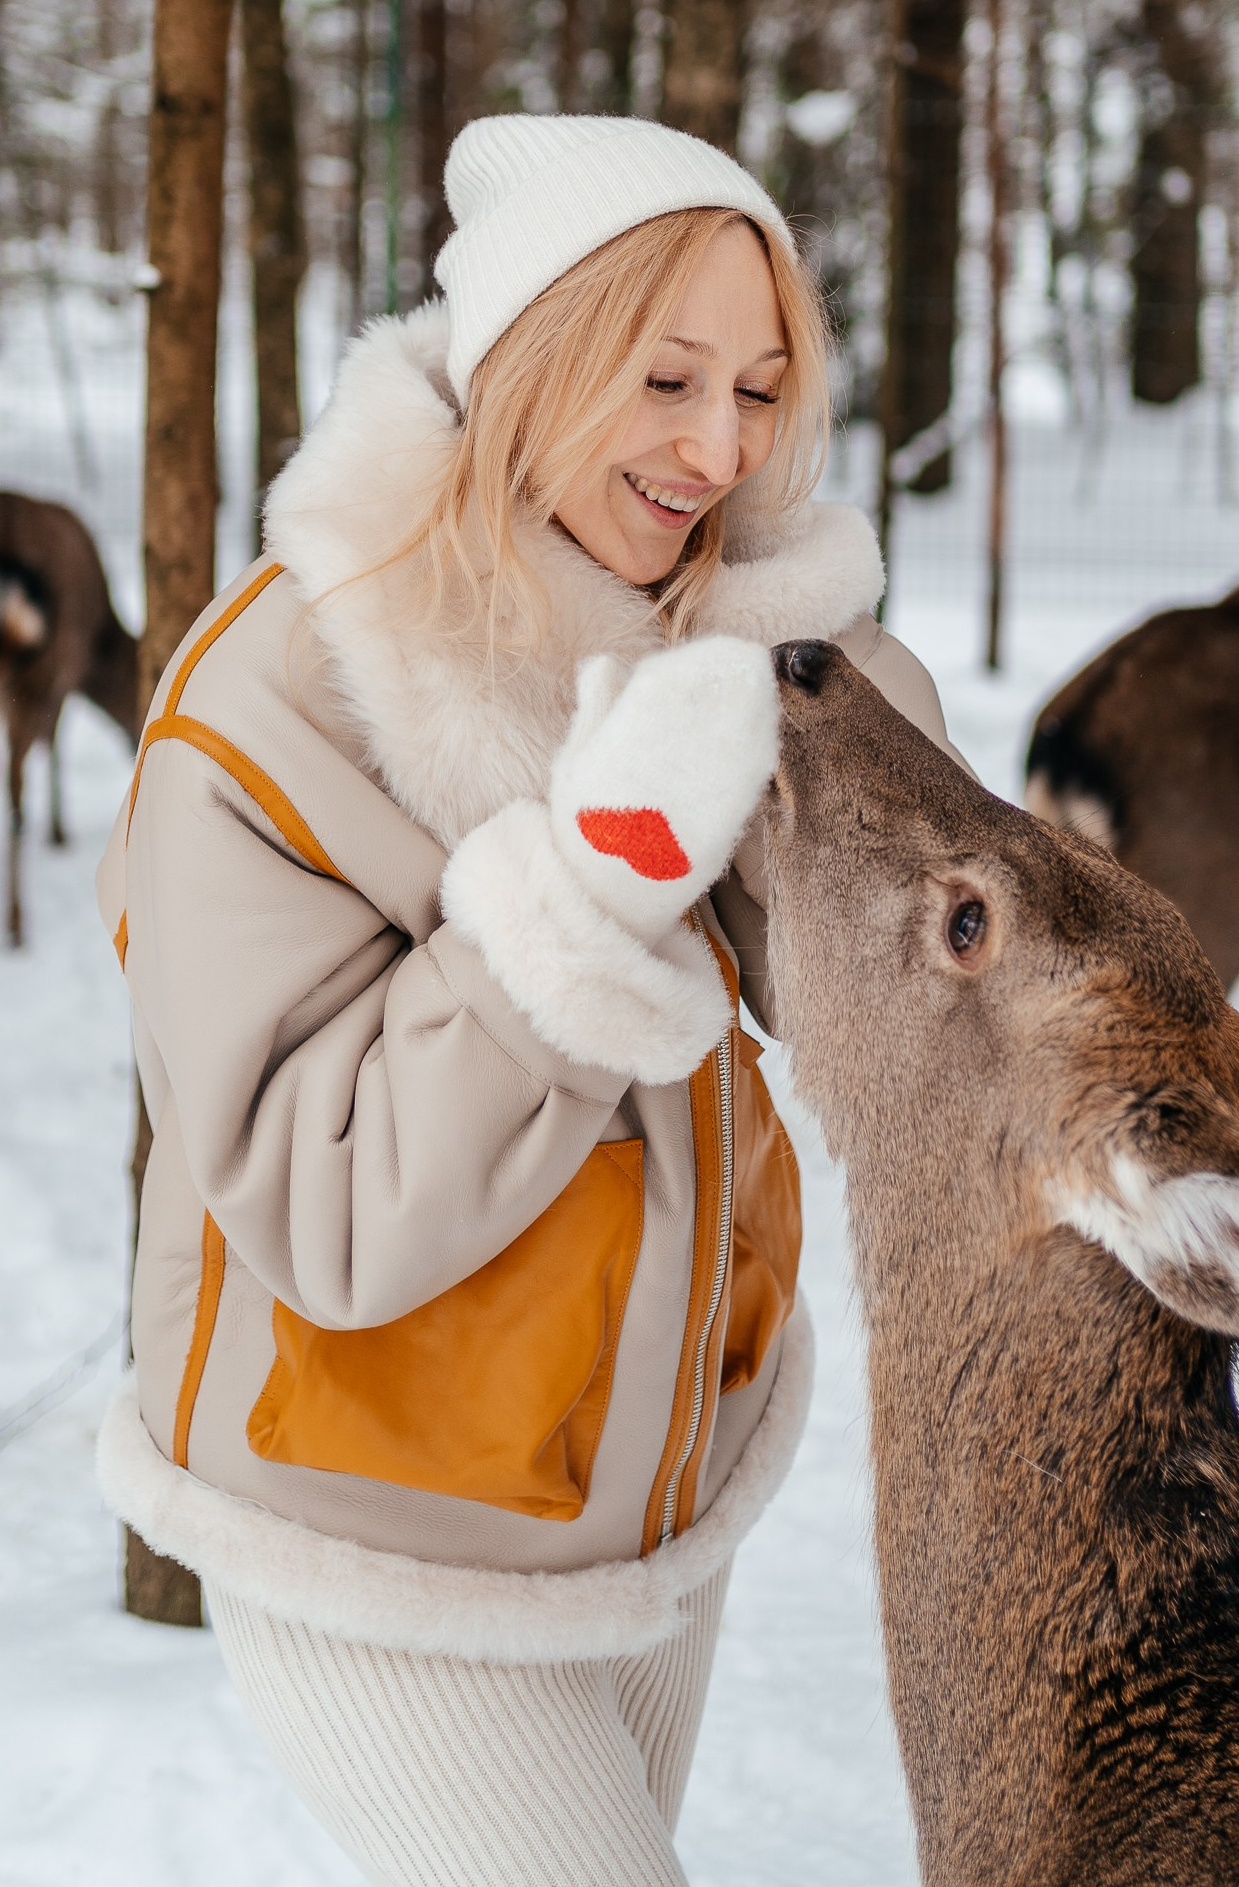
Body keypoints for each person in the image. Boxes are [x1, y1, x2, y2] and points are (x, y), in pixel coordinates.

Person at [97, 114, 955, 1887]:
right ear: (537, 358)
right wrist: (587, 891)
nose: (722, 447)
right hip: (378, 1523)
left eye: (763, 389)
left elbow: (899, 1012)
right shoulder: (278, 702)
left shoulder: (711, 626)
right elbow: (327, 1211)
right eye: (667, 377)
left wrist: (850, 722)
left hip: (653, 1491)